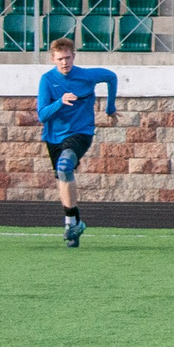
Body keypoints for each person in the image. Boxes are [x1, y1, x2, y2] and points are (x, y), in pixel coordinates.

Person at [35, 37, 118, 248]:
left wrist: (110, 108)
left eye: (68, 58)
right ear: (53, 59)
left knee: (65, 166)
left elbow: (111, 77)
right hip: (54, 137)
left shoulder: (86, 75)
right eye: (61, 59)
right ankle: (74, 222)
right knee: (63, 175)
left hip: (81, 132)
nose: (65, 62)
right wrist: (60, 102)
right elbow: (42, 115)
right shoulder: (47, 80)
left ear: (74, 56)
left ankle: (71, 223)